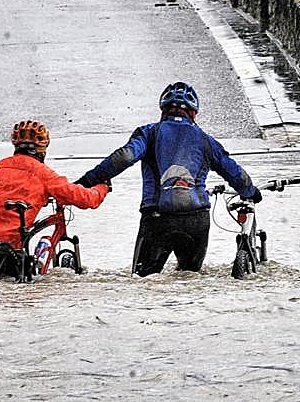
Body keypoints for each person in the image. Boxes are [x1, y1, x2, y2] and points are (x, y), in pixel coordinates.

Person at [73, 81, 261, 277]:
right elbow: (234, 172)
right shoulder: (206, 141)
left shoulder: (149, 133)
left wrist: (88, 181)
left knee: (142, 282)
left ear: (163, 110)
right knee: (190, 282)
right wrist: (251, 192)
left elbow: (125, 157)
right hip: (196, 220)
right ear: (194, 113)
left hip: (157, 219)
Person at [0, 120, 110, 263]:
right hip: (9, 242)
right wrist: (102, 188)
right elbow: (86, 199)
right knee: (25, 279)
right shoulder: (43, 174)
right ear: (42, 149)